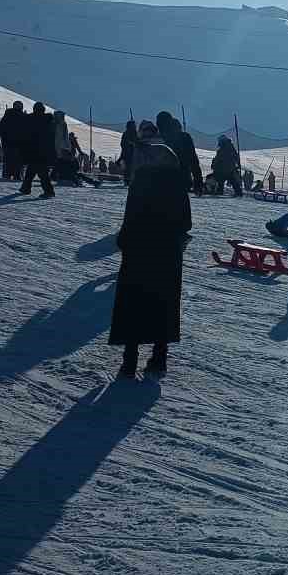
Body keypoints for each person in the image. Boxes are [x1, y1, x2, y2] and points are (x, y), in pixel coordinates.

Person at [109, 138, 190, 378]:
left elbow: (131, 217)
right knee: (163, 303)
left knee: (134, 302)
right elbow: (186, 222)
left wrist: (124, 240)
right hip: (168, 253)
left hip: (139, 251)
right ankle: (159, 356)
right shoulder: (178, 185)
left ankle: (129, 361)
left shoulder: (141, 181)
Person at [154, 113, 204, 196]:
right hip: (180, 180)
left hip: (169, 181)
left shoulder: (158, 138)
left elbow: (193, 160)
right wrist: (198, 181)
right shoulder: (183, 137)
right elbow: (194, 161)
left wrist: (198, 181)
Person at [18, 102, 56, 198]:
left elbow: (25, 133)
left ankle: (49, 191)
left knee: (41, 171)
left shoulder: (30, 119)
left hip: (34, 148)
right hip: (45, 149)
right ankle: (25, 188)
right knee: (32, 169)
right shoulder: (49, 120)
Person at [0, 101, 28, 181]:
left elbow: (0, 127)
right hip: (19, 143)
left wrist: (4, 137)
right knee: (18, 159)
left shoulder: (8, 114)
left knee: (8, 158)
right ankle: (16, 175)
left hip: (8, 142)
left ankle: (7, 174)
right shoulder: (23, 116)